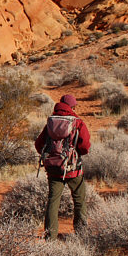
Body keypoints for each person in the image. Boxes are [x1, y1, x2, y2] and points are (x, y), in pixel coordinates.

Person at [34, 94, 91, 240]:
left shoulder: (50, 123)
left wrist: (52, 157)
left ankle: (50, 237)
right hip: (73, 169)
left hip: (54, 169)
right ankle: (81, 234)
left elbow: (39, 144)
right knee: (79, 200)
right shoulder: (77, 122)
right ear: (72, 107)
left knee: (53, 201)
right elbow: (84, 146)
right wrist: (76, 155)